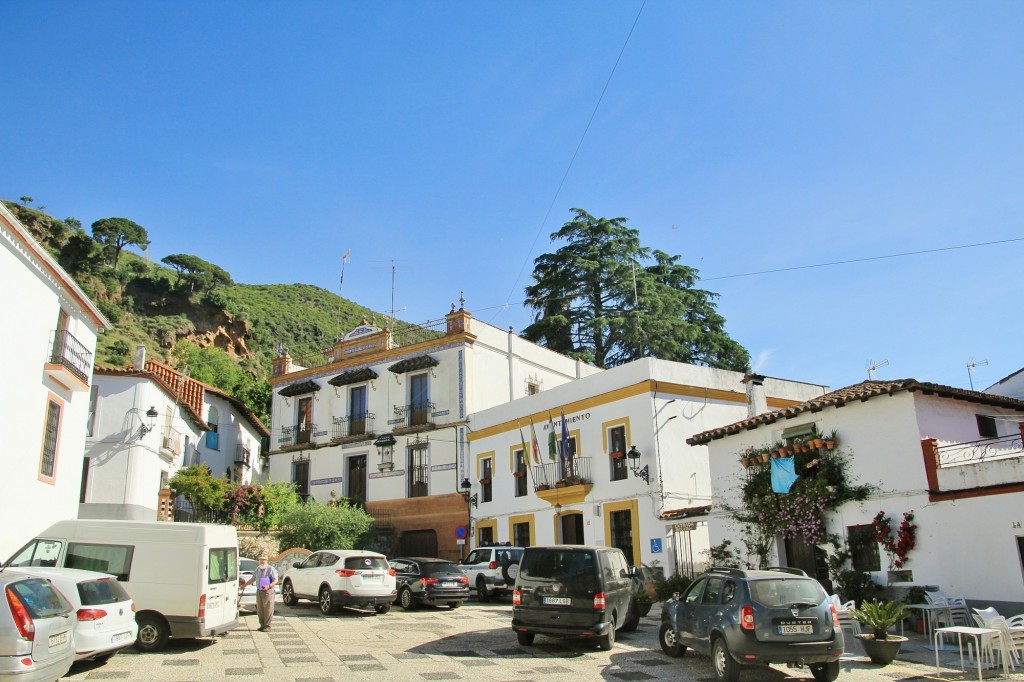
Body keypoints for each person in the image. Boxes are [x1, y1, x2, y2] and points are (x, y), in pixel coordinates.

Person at [244, 555, 279, 631]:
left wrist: (269, 586)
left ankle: (267, 626)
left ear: (267, 561)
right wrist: (245, 585)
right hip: (259, 591)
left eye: (264, 561)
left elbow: (275, 580)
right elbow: (253, 579)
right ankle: (262, 625)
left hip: (268, 591)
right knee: (260, 609)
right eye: (260, 561)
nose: (262, 562)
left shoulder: (271, 569)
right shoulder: (257, 569)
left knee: (268, 608)